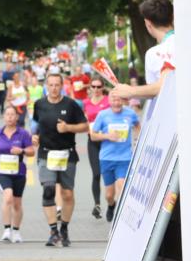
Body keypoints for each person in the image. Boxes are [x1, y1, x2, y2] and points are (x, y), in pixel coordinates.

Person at [32, 72, 88, 247]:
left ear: (62, 86)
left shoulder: (71, 104)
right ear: (46, 86)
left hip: (66, 153)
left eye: (57, 85)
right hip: (46, 153)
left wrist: (68, 127)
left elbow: (85, 126)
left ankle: (64, 228)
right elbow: (35, 124)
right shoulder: (39, 104)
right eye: (51, 85)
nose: (54, 88)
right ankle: (53, 231)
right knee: (48, 190)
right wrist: (34, 137)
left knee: (67, 194)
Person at [112, 0, 175, 102]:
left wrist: (131, 91)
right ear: (172, 17)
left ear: (148, 23)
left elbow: (157, 89)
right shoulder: (190, 43)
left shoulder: (154, 53)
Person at [89, 91, 140, 222]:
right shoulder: (103, 115)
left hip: (124, 158)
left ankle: (120, 216)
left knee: (122, 186)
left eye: (119, 100)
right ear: (109, 101)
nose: (117, 103)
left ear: (123, 100)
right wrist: (107, 136)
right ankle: (111, 206)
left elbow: (137, 126)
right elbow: (93, 135)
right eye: (114, 100)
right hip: (107, 158)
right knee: (109, 194)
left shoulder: (130, 114)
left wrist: (137, 139)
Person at [0, 104, 34, 243]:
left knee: (17, 203)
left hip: (19, 172)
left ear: (17, 117)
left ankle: (16, 231)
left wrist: (21, 151)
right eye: (7, 114)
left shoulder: (23, 133)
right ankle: (6, 229)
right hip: (2, 171)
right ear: (3, 117)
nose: (10, 117)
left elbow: (31, 151)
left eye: (12, 115)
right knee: (8, 197)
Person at [83, 78, 111, 219]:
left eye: (99, 86)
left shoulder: (108, 101)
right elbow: (83, 121)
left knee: (107, 172)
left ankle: (111, 202)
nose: (96, 89)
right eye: (93, 86)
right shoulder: (85, 103)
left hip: (107, 141)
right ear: (90, 87)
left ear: (103, 87)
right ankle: (97, 204)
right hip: (92, 141)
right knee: (96, 173)